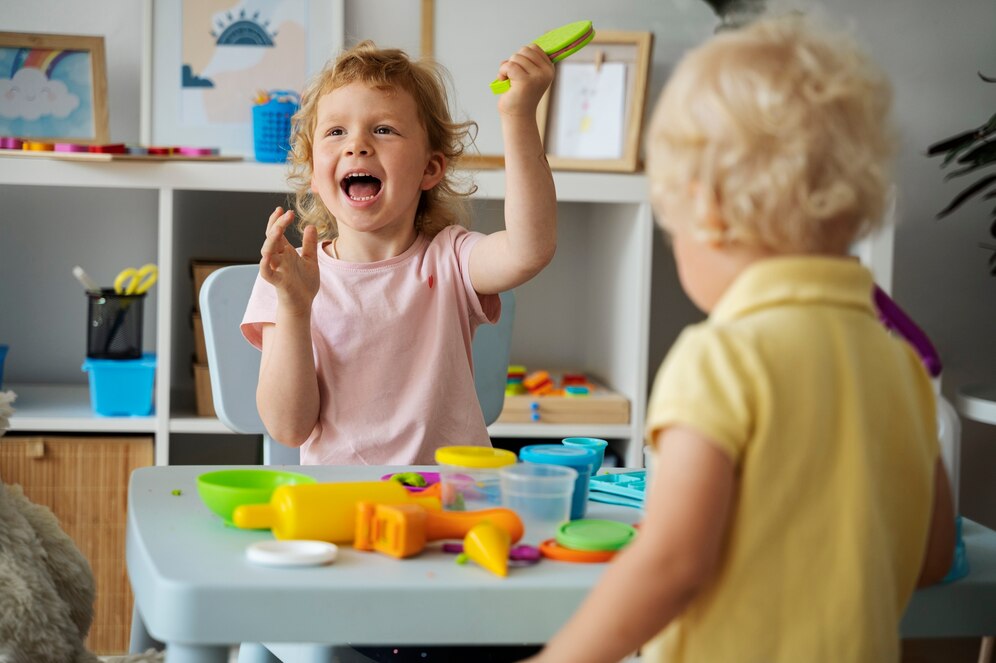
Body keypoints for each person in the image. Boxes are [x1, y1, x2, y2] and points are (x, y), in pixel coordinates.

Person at [522, 14, 955, 663]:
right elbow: (931, 556)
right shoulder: (902, 366)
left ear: (710, 210)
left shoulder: (721, 357)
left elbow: (672, 561)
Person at [242, 40, 556, 466]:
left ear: (430, 168)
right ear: (314, 172)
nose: (358, 145)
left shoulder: (451, 260)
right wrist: (295, 309)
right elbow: (289, 427)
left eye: (384, 129)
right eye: (336, 132)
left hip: (448, 499)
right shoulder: (288, 279)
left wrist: (518, 116)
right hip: (343, 505)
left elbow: (529, 249)